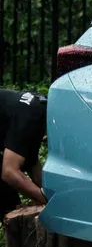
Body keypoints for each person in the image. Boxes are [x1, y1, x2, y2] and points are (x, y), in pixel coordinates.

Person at [0, 89, 47, 217]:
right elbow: (9, 172)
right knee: (8, 200)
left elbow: (31, 163)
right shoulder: (32, 117)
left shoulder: (39, 108)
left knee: (10, 203)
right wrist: (46, 200)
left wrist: (51, 193)